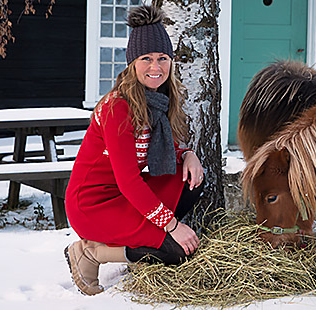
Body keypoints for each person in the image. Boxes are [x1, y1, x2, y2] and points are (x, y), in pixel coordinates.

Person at [63, 5, 204, 296]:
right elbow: (129, 180)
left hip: (122, 197)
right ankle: (90, 252)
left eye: (163, 58)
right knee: (175, 250)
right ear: (132, 63)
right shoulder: (119, 107)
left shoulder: (158, 100)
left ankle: (141, 244)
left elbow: (165, 150)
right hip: (91, 205)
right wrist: (172, 225)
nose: (156, 67)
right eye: (147, 59)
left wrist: (188, 155)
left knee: (190, 179)